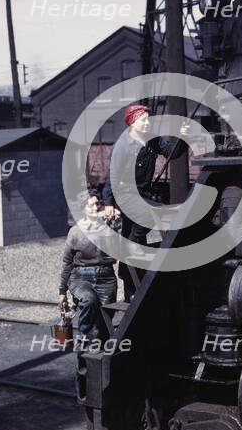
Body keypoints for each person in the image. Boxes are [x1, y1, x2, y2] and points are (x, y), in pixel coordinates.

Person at [102, 104, 190, 299]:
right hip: (125, 194)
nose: (148, 123)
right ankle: (133, 253)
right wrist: (108, 202)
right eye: (144, 120)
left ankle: (131, 289)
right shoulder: (123, 145)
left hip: (143, 194)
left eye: (148, 119)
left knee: (135, 234)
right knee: (147, 217)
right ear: (133, 122)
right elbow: (112, 176)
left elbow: (172, 153)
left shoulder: (151, 140)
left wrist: (182, 137)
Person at [58, 190, 118, 342]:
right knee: (89, 300)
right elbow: (67, 262)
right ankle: (83, 337)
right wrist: (62, 291)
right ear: (83, 209)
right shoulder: (75, 232)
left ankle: (100, 348)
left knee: (105, 317)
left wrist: (115, 224)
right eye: (91, 205)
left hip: (106, 276)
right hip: (81, 277)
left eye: (97, 204)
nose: (95, 208)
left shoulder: (108, 227)